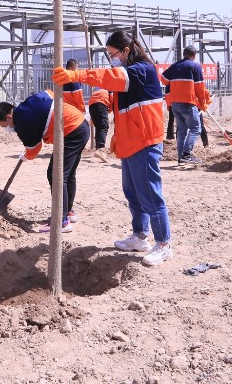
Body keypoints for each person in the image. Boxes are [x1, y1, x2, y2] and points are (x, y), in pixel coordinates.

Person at [52, 30, 173, 266]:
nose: (112, 59)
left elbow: (111, 77)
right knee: (133, 193)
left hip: (145, 141)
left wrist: (76, 75)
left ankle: (163, 244)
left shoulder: (142, 70)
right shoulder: (129, 73)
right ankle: (140, 236)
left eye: (113, 54)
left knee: (150, 194)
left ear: (126, 50)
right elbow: (121, 107)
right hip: (130, 142)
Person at [0, 90, 89, 233]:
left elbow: (35, 148)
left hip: (71, 131)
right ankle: (68, 212)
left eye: (4, 126)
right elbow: (50, 93)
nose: (7, 129)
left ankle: (61, 221)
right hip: (80, 124)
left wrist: (26, 155)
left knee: (56, 175)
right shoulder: (28, 103)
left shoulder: (22, 124)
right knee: (67, 174)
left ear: (9, 117)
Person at [160, 46, 211, 164]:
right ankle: (187, 154)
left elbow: (163, 79)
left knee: (182, 130)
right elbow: (199, 87)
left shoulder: (175, 66)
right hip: (188, 103)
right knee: (196, 128)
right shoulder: (195, 66)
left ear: (184, 54)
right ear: (194, 55)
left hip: (175, 104)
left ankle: (181, 158)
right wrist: (202, 103)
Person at [88, 88, 111, 162]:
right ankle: (101, 149)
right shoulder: (111, 88)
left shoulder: (100, 89)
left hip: (91, 105)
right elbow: (113, 100)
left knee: (98, 127)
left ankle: (98, 149)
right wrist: (110, 110)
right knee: (104, 126)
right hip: (101, 103)